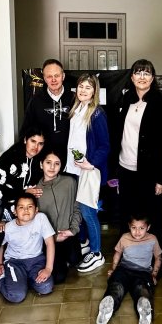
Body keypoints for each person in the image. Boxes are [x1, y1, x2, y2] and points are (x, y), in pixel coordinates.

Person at [109, 58, 162, 251]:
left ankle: (156, 258)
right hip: (125, 169)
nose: (142, 77)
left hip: (149, 172)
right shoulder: (124, 100)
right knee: (127, 214)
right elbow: (117, 135)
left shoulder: (161, 104)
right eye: (138, 72)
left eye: (147, 73)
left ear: (152, 78)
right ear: (132, 77)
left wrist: (161, 179)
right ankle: (127, 255)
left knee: (152, 215)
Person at [65, 73, 109, 274]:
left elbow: (105, 145)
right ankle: (84, 242)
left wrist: (91, 164)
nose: (83, 90)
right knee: (78, 210)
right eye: (81, 86)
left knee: (88, 212)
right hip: (74, 169)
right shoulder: (76, 110)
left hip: (89, 171)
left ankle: (97, 252)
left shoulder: (97, 114)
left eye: (88, 87)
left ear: (94, 91)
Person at [96, 213, 162, 324]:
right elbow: (118, 253)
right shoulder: (124, 238)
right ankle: (108, 306)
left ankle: (144, 310)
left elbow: (158, 257)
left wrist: (154, 274)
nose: (137, 232)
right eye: (134, 228)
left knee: (142, 289)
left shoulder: (152, 239)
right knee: (117, 286)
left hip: (143, 272)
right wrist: (113, 269)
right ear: (129, 226)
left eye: (141, 228)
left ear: (148, 227)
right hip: (124, 269)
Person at [0, 194, 55, 303]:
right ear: (15, 211)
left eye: (30, 206)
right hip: (15, 262)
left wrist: (48, 269)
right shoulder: (8, 227)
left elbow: (50, 243)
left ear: (36, 210)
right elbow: (1, 245)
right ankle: (3, 278)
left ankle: (25, 280)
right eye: (21, 207)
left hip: (36, 260)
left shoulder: (41, 218)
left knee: (46, 287)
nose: (26, 210)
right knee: (16, 296)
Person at [36, 151, 82, 284]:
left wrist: (72, 230)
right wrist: (53, 237)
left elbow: (77, 207)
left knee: (75, 259)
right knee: (58, 278)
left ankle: (68, 258)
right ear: (41, 164)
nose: (52, 167)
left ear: (61, 166)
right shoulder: (36, 190)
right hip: (49, 240)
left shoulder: (69, 182)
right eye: (48, 163)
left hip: (67, 234)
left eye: (57, 164)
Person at [21, 58, 74, 164]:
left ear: (63, 76)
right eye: (49, 76)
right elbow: (26, 129)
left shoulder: (74, 99)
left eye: (57, 75)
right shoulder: (36, 100)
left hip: (70, 156)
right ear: (44, 78)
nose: (53, 80)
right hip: (43, 158)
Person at [0, 128, 46, 212]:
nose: (36, 147)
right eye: (33, 141)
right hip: (5, 206)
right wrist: (23, 192)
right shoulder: (8, 158)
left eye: (40, 143)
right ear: (25, 140)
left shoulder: (42, 160)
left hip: (30, 207)